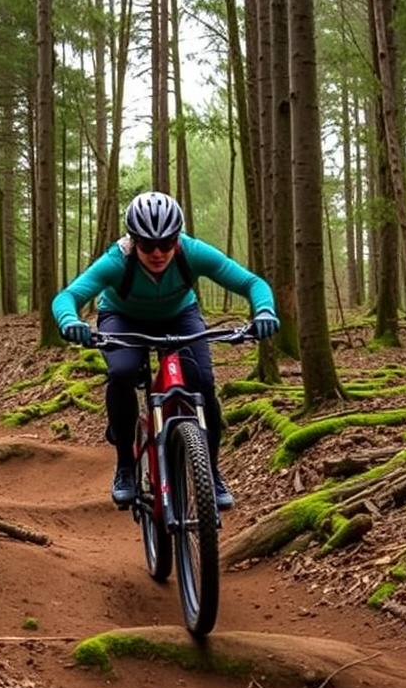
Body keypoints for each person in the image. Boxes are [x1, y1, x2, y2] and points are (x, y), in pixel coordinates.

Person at [51, 191, 279, 509]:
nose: (158, 252)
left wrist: (265, 311)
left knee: (203, 383)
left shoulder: (194, 252)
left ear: (177, 238)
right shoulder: (117, 260)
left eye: (167, 242)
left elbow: (252, 283)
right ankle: (125, 467)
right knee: (123, 372)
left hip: (180, 317)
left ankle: (210, 472)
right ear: (134, 241)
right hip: (123, 319)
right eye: (147, 245)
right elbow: (67, 296)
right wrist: (69, 321)